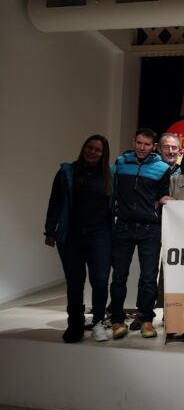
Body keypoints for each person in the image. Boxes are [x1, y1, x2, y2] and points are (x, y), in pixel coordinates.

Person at [44, 135, 113, 343]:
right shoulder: (67, 172)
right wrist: (49, 230)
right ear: (84, 148)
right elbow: (55, 201)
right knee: (75, 282)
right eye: (89, 147)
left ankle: (98, 322)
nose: (93, 152)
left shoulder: (110, 175)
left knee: (100, 280)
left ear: (103, 154)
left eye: (98, 150)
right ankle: (74, 324)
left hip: (100, 235)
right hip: (71, 235)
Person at [110, 128, 171, 340]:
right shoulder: (120, 163)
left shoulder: (162, 168)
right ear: (133, 142)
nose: (142, 148)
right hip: (123, 226)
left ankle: (146, 319)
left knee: (148, 278)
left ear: (154, 147)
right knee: (119, 276)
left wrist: (165, 200)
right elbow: (111, 190)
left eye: (147, 144)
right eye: (139, 143)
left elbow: (163, 195)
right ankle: (116, 320)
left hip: (150, 229)